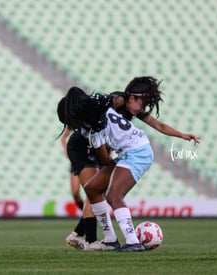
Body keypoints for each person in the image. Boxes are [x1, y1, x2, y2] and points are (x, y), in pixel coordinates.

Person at [58, 76, 200, 252]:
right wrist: (110, 163)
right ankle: (110, 239)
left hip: (137, 152)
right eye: (143, 102)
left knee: (113, 195)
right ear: (132, 97)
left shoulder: (99, 119)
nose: (143, 108)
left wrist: (181, 135)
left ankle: (132, 241)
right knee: (92, 188)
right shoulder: (105, 107)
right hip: (130, 151)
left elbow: (105, 157)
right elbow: (105, 157)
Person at [57, 87, 123, 251]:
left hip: (96, 149)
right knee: (93, 192)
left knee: (95, 193)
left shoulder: (100, 109)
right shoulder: (92, 110)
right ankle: (91, 240)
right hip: (80, 149)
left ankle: (78, 235)